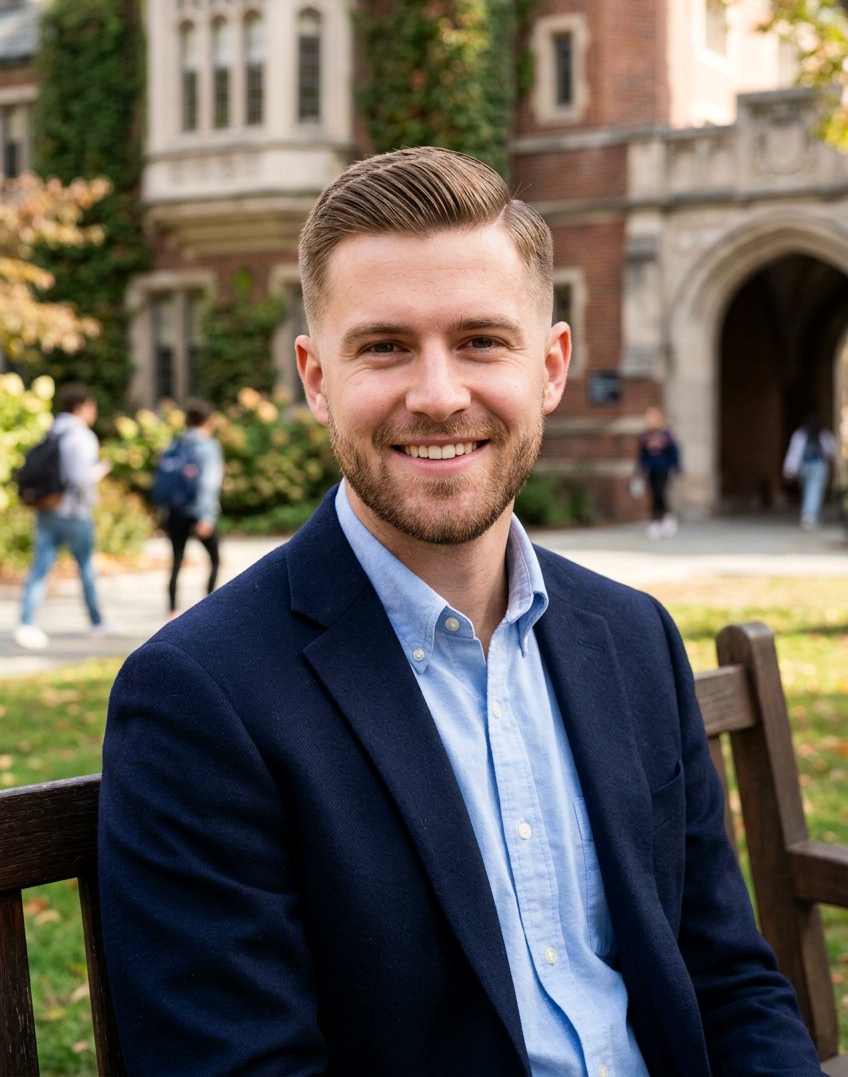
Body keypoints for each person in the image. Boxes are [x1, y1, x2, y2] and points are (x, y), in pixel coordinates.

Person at [99, 147, 823, 1076]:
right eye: (385, 346)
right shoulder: (200, 698)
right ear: (317, 379)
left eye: (482, 340)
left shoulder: (632, 637)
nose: (439, 396)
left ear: (551, 366)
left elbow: (727, 981)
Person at [14, 382, 112, 650]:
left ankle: (26, 622)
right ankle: (96, 622)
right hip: (74, 513)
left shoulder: (53, 430)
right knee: (86, 567)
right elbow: (80, 479)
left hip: (48, 509)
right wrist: (96, 481)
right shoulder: (81, 436)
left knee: (40, 568)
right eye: (92, 407)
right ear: (81, 407)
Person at [162, 398, 224, 617]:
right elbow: (208, 482)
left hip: (175, 512)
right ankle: (209, 607)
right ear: (208, 421)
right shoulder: (208, 446)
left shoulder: (176, 443)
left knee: (177, 559)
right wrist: (206, 516)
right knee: (215, 559)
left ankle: (171, 607)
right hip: (198, 512)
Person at [783, 410, 837, 530]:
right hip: (816, 467)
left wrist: (789, 469)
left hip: (808, 467)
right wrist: (789, 470)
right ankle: (809, 515)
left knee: (812, 490)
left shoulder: (806, 435)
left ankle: (810, 515)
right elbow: (830, 452)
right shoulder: (815, 435)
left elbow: (794, 453)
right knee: (813, 490)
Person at [636, 405, 681, 538]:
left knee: (660, 492)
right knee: (654, 494)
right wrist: (640, 469)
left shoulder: (666, 435)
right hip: (651, 469)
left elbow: (674, 452)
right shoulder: (645, 436)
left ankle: (665, 518)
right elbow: (642, 455)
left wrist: (677, 467)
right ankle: (657, 521)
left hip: (664, 468)